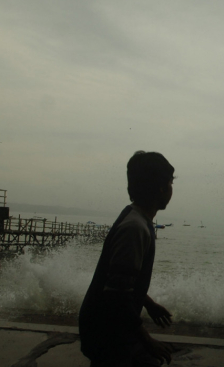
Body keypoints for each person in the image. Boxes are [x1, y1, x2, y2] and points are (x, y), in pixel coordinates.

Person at [79, 151, 176, 366]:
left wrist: (148, 304)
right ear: (161, 188)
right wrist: (148, 340)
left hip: (105, 326)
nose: (171, 189)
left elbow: (122, 283)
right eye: (170, 183)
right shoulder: (135, 229)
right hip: (106, 333)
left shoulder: (135, 218)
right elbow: (116, 297)